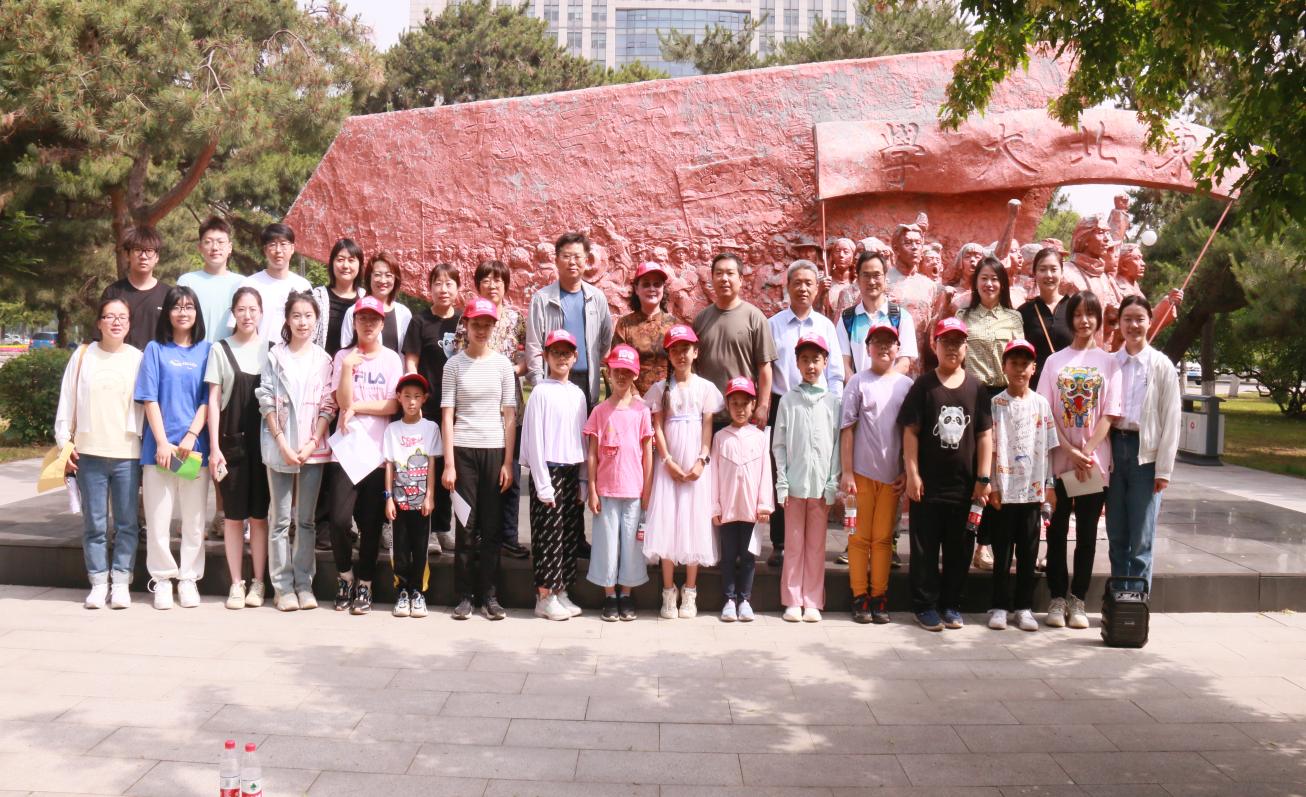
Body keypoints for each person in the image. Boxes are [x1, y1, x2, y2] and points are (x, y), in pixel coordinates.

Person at [898, 317, 994, 632]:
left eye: (957, 342)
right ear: (935, 346)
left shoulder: (976, 388)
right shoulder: (924, 386)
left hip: (965, 488)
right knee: (924, 549)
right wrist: (912, 473)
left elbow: (984, 435)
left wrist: (983, 478)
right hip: (928, 487)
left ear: (966, 347)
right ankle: (924, 606)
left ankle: (951, 604)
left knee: (960, 549)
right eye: (946, 342)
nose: (952, 348)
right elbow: (910, 431)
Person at [1037, 290, 1122, 630]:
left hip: (1091, 465)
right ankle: (1057, 597)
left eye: (1090, 314)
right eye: (1077, 314)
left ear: (1098, 319)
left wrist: (1086, 452)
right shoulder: (1054, 362)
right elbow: (1045, 411)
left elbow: (1110, 414)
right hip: (1060, 461)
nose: (1084, 321)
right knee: (1056, 532)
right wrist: (1070, 451)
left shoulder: (1109, 362)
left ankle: (1079, 599)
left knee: (1086, 534)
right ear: (1070, 319)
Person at [55, 298, 145, 609]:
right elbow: (67, 400)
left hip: (127, 453)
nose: (116, 322)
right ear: (99, 322)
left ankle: (120, 582)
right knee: (94, 523)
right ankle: (97, 582)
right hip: (88, 453)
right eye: (109, 316)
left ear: (129, 324)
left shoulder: (137, 358)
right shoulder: (83, 356)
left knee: (126, 524)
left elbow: (149, 406)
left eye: (122, 317)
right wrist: (63, 444)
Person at [136, 286, 212, 610]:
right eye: (177, 307)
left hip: (192, 450)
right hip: (160, 449)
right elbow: (149, 398)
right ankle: (163, 579)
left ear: (197, 313)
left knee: (194, 519)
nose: (183, 312)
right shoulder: (155, 350)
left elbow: (209, 399)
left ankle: (189, 578)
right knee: (158, 518)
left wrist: (191, 435)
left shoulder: (207, 350)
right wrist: (163, 441)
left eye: (189, 306)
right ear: (167, 313)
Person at [442, 297, 518, 621]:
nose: (482, 329)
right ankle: (464, 595)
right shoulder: (453, 366)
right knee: (466, 525)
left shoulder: (503, 366)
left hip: (494, 449)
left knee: (491, 526)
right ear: (467, 326)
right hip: (463, 450)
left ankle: (489, 595)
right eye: (476, 324)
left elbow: (509, 415)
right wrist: (448, 463)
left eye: (487, 324)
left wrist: (508, 462)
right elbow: (448, 415)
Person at [258, 291, 334, 612]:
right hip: (281, 446)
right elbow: (265, 399)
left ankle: (304, 584)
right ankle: (282, 587)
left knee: (305, 521)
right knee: (279, 520)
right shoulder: (276, 356)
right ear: (287, 320)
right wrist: (283, 443)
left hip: (312, 449)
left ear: (316, 320)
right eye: (296, 316)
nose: (303, 322)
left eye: (308, 316)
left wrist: (313, 441)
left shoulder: (324, 360)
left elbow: (328, 404)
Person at [328, 296, 404, 616]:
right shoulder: (342, 357)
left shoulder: (391, 359)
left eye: (374, 318)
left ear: (382, 323)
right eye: (363, 318)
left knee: (371, 524)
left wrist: (357, 407)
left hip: (376, 452)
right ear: (354, 322)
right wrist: (348, 368)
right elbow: (341, 402)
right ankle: (345, 575)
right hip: (345, 451)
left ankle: (366, 583)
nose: (368, 323)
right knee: (338, 520)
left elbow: (393, 404)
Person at [643, 325, 724, 620]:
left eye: (685, 349)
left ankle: (690, 590)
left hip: (695, 465)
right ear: (668, 355)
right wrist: (667, 461)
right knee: (667, 520)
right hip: (669, 465)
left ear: (695, 352)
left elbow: (707, 426)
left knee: (694, 520)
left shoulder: (705, 388)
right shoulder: (661, 389)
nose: (681, 355)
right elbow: (657, 427)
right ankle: (668, 590)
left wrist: (702, 460)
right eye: (674, 350)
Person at [767, 260, 845, 564]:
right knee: (782, 470)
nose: (802, 288)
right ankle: (780, 542)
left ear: (816, 288)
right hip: (783, 404)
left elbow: (835, 372)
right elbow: (766, 369)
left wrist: (834, 406)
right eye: (797, 282)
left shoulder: (825, 326)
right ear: (787, 286)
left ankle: (811, 544)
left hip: (818, 405)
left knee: (815, 470)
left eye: (808, 283)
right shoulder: (773, 324)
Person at [452, 260, 530, 559]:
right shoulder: (467, 319)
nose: (492, 285)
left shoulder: (516, 318)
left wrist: (513, 370)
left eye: (498, 280)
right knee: (477, 483)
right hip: (475, 410)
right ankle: (477, 535)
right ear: (478, 284)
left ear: (506, 285)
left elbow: (529, 355)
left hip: (509, 410)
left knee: (510, 476)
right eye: (486, 279)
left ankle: (508, 536)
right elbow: (458, 356)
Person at [1106, 295, 1181, 592]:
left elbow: (1172, 418)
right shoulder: (1111, 363)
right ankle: (1117, 601)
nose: (1133, 325)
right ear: (1119, 323)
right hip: (1113, 451)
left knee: (1141, 538)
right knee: (1116, 535)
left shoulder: (1161, 365)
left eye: (1139, 319)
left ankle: (1136, 603)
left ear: (1150, 322)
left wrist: (1164, 470)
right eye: (1128, 319)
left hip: (1145, 456)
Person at [839, 322, 912, 625]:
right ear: (867, 348)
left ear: (898, 348)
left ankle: (879, 596)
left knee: (883, 539)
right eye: (877, 342)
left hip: (892, 476)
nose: (883, 347)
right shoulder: (858, 381)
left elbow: (910, 433)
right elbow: (847, 428)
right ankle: (859, 595)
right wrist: (847, 472)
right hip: (861, 475)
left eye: (889, 342)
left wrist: (907, 471)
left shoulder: (905, 385)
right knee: (858, 538)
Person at [957, 256, 1025, 572]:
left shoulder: (1013, 317)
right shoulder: (963, 315)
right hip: (972, 395)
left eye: (995, 278)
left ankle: (991, 543)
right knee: (974, 468)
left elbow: (1020, 358)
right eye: (983, 277)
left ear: (1003, 283)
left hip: (1003, 397)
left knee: (999, 470)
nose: (989, 283)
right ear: (976, 282)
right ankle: (970, 543)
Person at [205, 288, 271, 610]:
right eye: (241, 309)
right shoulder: (220, 350)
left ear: (261, 313)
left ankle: (258, 582)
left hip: (265, 445)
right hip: (231, 443)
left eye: (253, 309)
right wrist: (214, 447)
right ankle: (236, 583)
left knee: (259, 517)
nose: (247, 315)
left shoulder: (272, 350)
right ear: (233, 313)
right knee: (233, 518)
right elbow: (213, 400)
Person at [986, 339, 1058, 632]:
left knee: (1028, 553)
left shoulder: (1041, 404)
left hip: (1032, 491)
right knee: (1002, 553)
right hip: (1004, 490)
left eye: (1024, 364)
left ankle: (1024, 607)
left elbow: (1050, 448)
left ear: (1034, 368)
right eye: (1013, 363)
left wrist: (1049, 486)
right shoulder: (996, 404)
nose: (1019, 369)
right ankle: (999, 605)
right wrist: (992, 485)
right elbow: (990, 448)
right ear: (1004, 367)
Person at [520, 329, 589, 621]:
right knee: (548, 535)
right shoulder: (540, 392)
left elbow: (583, 439)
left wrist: (583, 480)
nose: (562, 358)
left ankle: (561, 589)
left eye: (567, 353)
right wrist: (542, 483)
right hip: (547, 471)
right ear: (546, 356)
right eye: (556, 353)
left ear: (575, 357)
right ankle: (544, 595)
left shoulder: (578, 394)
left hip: (572, 471)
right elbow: (534, 439)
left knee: (568, 535)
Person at [772, 333, 840, 623]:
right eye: (805, 360)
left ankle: (812, 600)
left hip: (820, 487)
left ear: (825, 362)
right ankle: (792, 600)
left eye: (816, 359)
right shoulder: (788, 401)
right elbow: (779, 445)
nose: (811, 365)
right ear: (797, 363)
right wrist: (782, 482)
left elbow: (837, 445)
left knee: (815, 547)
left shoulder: (833, 402)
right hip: (795, 486)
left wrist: (832, 482)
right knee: (794, 544)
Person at [585, 345, 654, 622]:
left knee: (631, 545)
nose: (622, 377)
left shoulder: (642, 411)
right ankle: (609, 594)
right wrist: (592, 489)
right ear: (609, 373)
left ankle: (626, 593)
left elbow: (647, 453)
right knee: (606, 544)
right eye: (617, 371)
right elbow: (592, 453)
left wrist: (647, 490)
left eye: (627, 372)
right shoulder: (600, 412)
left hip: (634, 490)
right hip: (606, 489)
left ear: (635, 374)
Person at [402, 262, 462, 555]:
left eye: (449, 283)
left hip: (456, 409)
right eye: (438, 283)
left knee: (449, 470)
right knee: (424, 468)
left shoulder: (463, 322)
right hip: (427, 407)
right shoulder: (420, 321)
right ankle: (425, 531)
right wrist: (414, 401)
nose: (443, 289)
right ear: (430, 288)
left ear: (458, 288)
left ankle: (442, 528)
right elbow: (412, 362)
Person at [525, 232, 615, 409]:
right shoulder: (541, 299)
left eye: (577, 257)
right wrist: (539, 384)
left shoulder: (597, 298)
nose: (572, 262)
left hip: (586, 381)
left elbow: (605, 341)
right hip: (552, 382)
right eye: (566, 256)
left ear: (586, 261)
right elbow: (534, 345)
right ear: (556, 261)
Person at [711, 377, 774, 622]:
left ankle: (744, 599)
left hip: (751, 509)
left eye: (745, 403)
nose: (740, 409)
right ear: (728, 405)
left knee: (748, 556)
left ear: (753, 405)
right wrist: (715, 506)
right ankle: (728, 599)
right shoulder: (720, 437)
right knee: (727, 556)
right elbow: (714, 474)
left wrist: (764, 505)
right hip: (727, 509)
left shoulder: (759, 437)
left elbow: (765, 473)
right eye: (735, 403)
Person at [692, 253, 778, 429]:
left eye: (730, 273)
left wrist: (762, 405)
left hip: (743, 413)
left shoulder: (755, 318)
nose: (724, 279)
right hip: (707, 414)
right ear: (712, 278)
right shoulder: (701, 319)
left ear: (740, 279)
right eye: (719, 273)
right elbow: (693, 367)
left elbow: (764, 366)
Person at [384, 373, 440, 619]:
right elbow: (389, 464)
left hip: (421, 503)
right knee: (400, 549)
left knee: (420, 548)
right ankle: (402, 592)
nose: (412, 401)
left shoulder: (431, 428)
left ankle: (418, 591)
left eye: (417, 396)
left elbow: (431, 463)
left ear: (425, 398)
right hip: (399, 503)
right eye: (407, 396)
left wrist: (430, 495)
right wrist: (388, 497)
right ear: (399, 397)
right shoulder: (392, 429)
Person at [835, 252, 917, 377]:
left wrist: (880, 385)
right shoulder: (847, 319)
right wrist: (858, 385)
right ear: (858, 279)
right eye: (866, 275)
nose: (872, 281)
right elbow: (843, 363)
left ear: (885, 278)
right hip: (858, 388)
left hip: (891, 388)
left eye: (876, 275)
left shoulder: (901, 317)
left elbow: (904, 363)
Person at [613, 261, 683, 395]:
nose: (652, 288)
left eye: (657, 284)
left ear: (663, 288)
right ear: (636, 289)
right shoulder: (625, 325)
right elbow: (618, 365)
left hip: (669, 396)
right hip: (632, 399)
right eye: (646, 284)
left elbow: (682, 364)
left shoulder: (674, 325)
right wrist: (635, 396)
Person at [102, 226, 172, 351]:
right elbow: (101, 334)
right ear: (127, 255)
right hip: (120, 360)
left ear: (157, 257)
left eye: (149, 251)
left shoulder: (169, 294)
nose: (143, 256)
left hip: (157, 361)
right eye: (138, 250)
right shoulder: (113, 292)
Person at [241, 223, 311, 342]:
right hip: (257, 351)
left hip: (293, 352)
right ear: (265, 250)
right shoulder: (250, 285)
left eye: (283, 244)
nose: (278, 250)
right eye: (272, 245)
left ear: (292, 248)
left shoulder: (303, 286)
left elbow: (311, 326)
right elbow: (238, 327)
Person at [179, 217, 245, 343]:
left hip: (229, 353)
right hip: (193, 352)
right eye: (208, 242)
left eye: (220, 242)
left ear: (230, 247)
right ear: (200, 247)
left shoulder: (241, 284)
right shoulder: (187, 282)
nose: (215, 247)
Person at [1018, 247, 1074, 389]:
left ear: (1062, 272)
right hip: (1035, 389)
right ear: (1034, 273)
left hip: (1071, 389)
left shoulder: (1074, 308)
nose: (1048, 275)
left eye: (1053, 269)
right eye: (1042, 269)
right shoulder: (1024, 312)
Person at [341, 252, 413, 354]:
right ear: (369, 278)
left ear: (395, 279)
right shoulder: (353, 311)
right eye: (377, 275)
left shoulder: (404, 313)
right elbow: (345, 349)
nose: (383, 280)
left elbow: (408, 352)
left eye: (388, 275)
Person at [311, 238, 367, 356]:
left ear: (360, 265)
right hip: (323, 365)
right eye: (340, 260)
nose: (345, 265)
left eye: (351, 260)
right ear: (332, 263)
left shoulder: (366, 299)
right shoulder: (318, 297)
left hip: (358, 366)